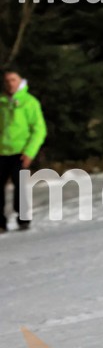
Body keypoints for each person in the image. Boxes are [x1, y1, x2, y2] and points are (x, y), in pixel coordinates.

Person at [0, 69, 47, 232]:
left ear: (20, 81)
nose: (10, 84)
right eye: (7, 81)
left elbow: (39, 129)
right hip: (2, 151)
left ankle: (23, 220)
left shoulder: (29, 102)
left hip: (21, 151)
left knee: (20, 186)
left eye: (13, 80)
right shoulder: (2, 102)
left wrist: (30, 152)